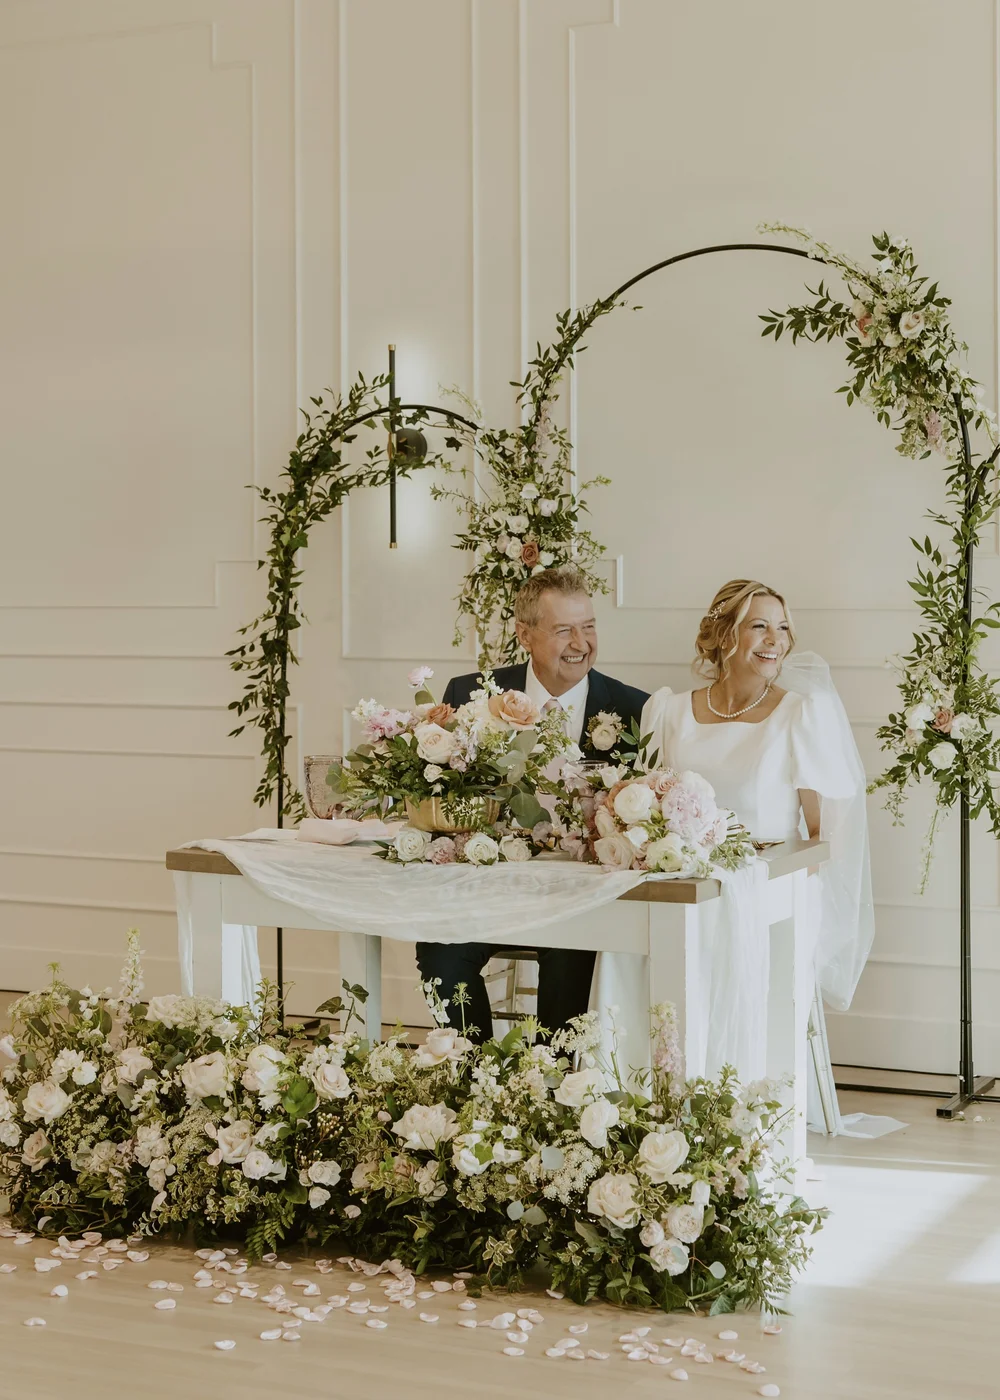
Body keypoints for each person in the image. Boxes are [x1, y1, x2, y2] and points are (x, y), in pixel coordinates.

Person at [636, 578, 876, 1129]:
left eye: (783, 626)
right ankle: (645, 1104)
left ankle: (727, 1113)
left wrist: (754, 881)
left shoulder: (800, 714)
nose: (776, 640)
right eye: (760, 625)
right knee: (647, 930)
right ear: (724, 636)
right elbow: (647, 809)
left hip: (771, 892)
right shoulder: (669, 712)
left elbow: (819, 837)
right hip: (681, 884)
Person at [415, 566, 648, 1041]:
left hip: (581, 897)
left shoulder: (633, 709)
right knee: (438, 947)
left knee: (574, 951)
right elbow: (443, 796)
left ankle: (553, 1089)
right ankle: (473, 1073)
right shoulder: (469, 695)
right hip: (488, 887)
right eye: (564, 629)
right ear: (525, 634)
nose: (580, 642)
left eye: (589, 626)